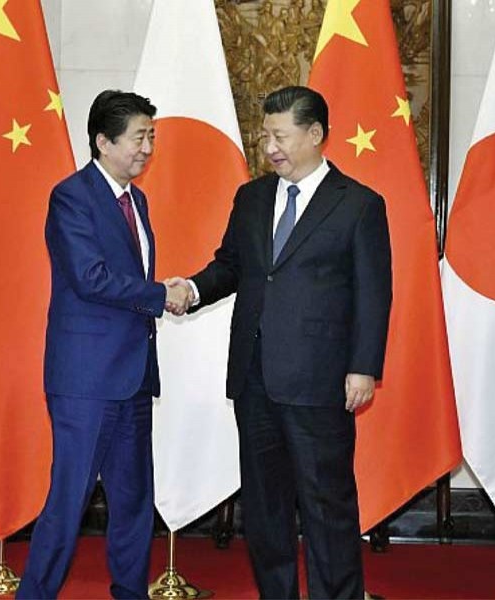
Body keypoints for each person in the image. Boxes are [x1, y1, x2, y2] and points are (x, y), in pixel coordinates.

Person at [167, 86, 392, 599]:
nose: (269, 146)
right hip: (254, 377)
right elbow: (232, 265)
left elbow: (374, 293)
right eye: (265, 135)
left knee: (326, 506)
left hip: (319, 380)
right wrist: (194, 288)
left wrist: (363, 366)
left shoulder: (358, 204)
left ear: (315, 135)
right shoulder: (252, 197)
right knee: (265, 509)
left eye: (280, 135)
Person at [17, 90, 190, 600]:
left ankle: (131, 593)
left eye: (151, 137)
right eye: (140, 137)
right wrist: (163, 295)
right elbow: (91, 278)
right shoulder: (71, 196)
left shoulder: (138, 201)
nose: (147, 149)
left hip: (134, 375)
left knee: (134, 500)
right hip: (86, 381)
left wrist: (161, 295)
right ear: (103, 141)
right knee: (69, 500)